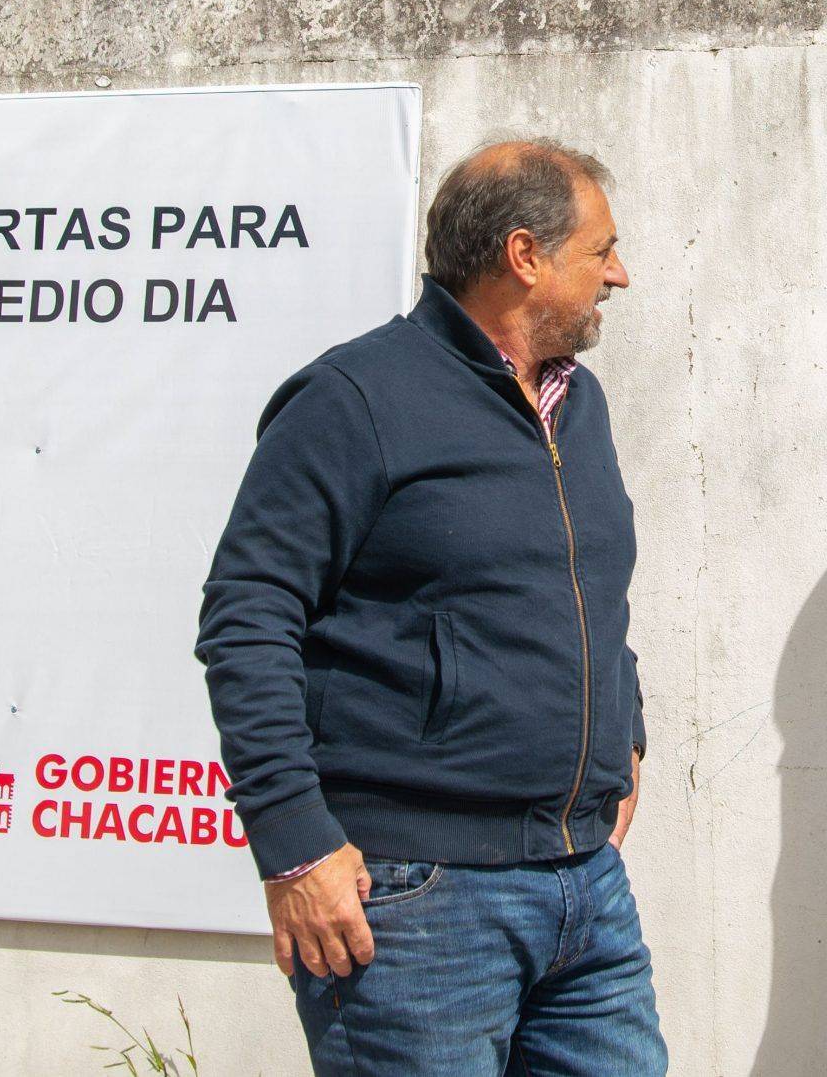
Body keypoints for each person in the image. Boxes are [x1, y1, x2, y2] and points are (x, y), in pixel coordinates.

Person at [197, 139, 664, 1076]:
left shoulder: (582, 403)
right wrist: (295, 847)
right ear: (524, 256)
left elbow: (585, 584)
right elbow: (246, 616)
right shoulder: (355, 398)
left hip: (585, 886)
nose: (620, 272)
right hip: (416, 899)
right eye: (600, 249)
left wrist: (627, 729)